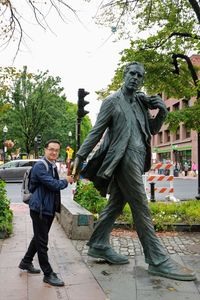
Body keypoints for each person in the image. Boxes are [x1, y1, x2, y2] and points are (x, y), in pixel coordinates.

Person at [72, 62, 196, 281]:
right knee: (141, 206)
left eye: (139, 76)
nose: (135, 78)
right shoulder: (112, 102)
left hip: (138, 158)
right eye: (132, 74)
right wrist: (80, 156)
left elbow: (152, 130)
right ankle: (157, 259)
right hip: (122, 158)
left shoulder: (140, 102)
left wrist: (163, 112)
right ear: (124, 75)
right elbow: (96, 131)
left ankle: (99, 244)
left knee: (116, 205)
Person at [19, 139, 73, 286]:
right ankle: (48, 274)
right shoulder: (40, 166)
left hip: (46, 209)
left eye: (56, 150)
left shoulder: (52, 165)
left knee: (39, 238)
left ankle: (26, 262)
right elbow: (53, 185)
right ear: (45, 150)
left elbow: (52, 185)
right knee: (42, 243)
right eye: (51, 149)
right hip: (39, 210)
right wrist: (66, 180)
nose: (54, 152)